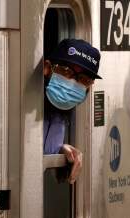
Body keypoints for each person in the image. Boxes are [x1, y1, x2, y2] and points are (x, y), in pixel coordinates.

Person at [43, 39, 102, 184]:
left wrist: (62, 150)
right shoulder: (27, 107)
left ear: (89, 86)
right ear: (47, 68)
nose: (72, 82)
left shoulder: (59, 116)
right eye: (67, 71)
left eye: (83, 79)